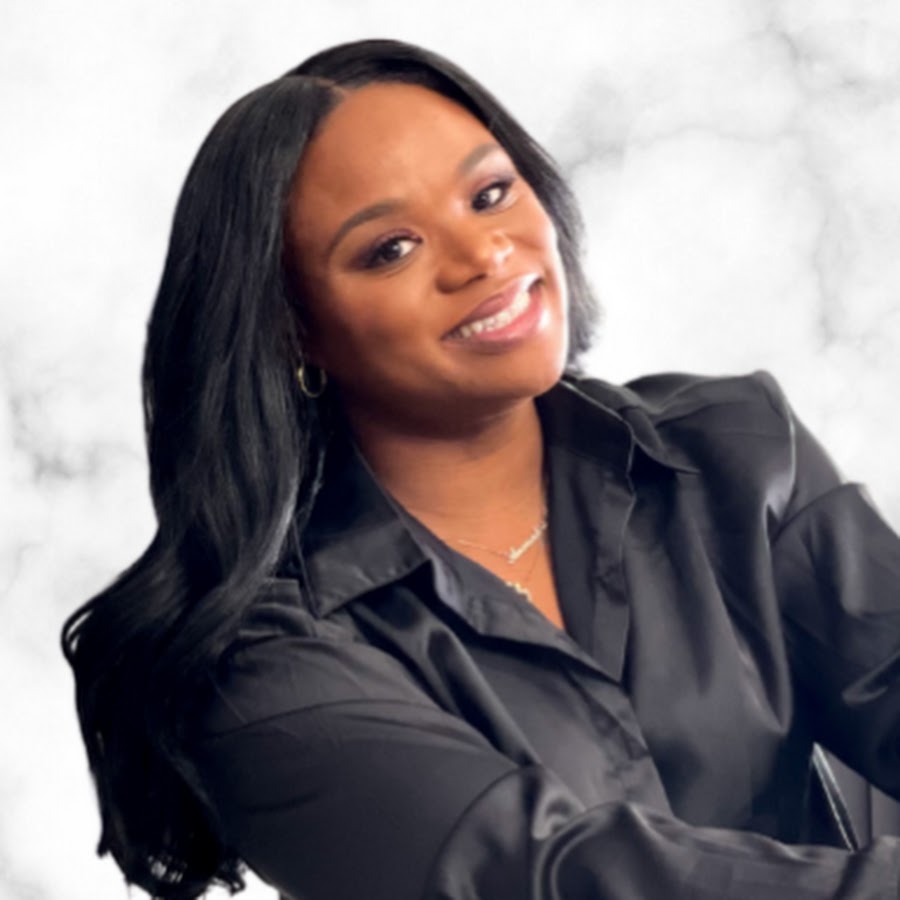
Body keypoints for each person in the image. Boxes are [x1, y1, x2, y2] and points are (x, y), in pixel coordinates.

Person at [62, 38, 900, 900]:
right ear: (293, 333)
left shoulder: (734, 453)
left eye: (490, 194)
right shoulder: (259, 663)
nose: (485, 255)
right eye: (391, 248)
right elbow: (544, 879)